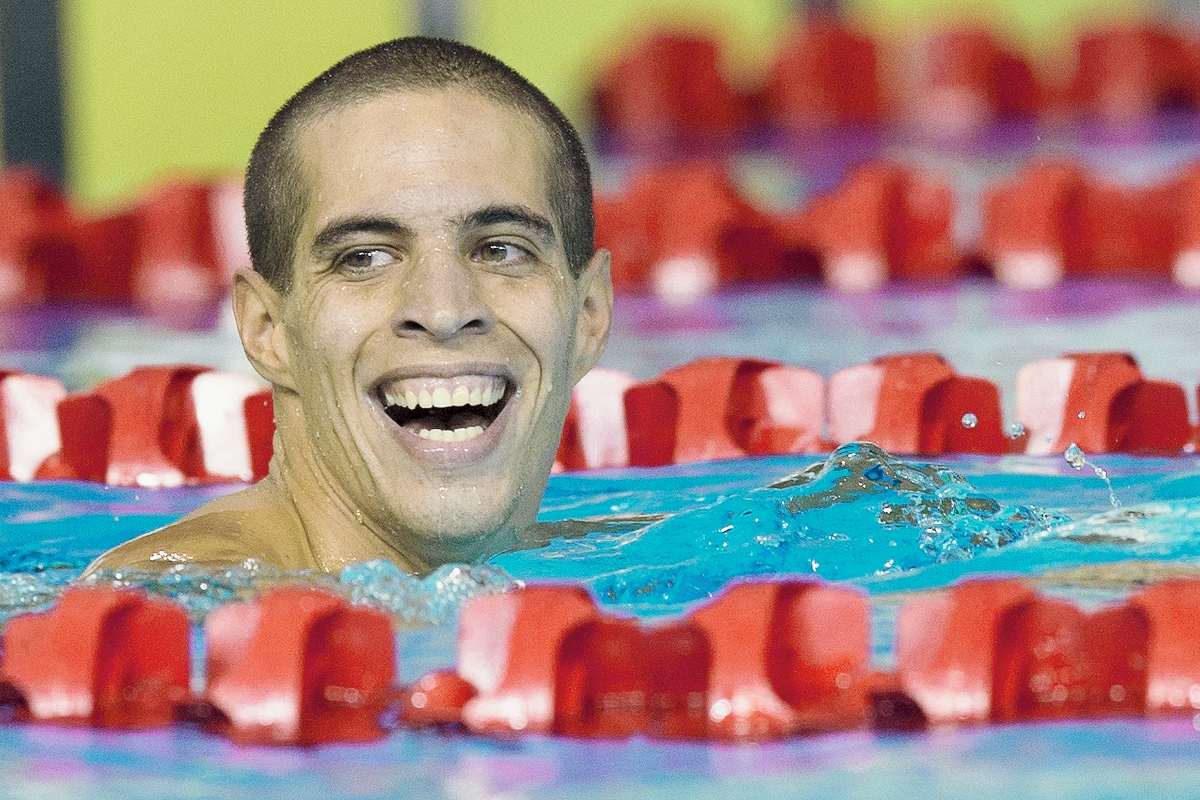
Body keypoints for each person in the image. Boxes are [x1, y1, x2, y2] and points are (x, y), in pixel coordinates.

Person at [83, 37, 613, 576]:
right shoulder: (169, 605)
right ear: (268, 331)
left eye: (501, 249)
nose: (444, 310)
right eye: (363, 257)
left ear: (590, 315)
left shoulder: (617, 564)